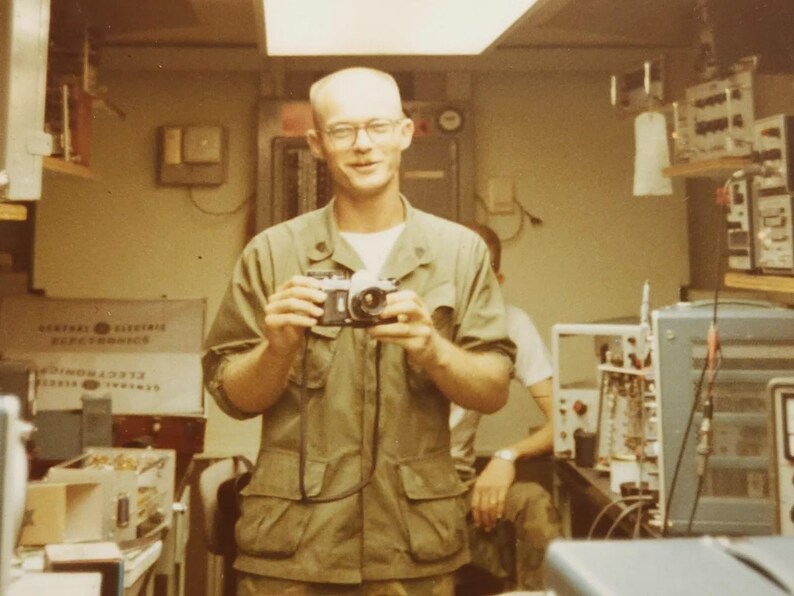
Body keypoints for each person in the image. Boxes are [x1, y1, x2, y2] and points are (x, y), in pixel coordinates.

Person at [202, 67, 515, 595]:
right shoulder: (273, 253)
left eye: (377, 126)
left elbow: (494, 388)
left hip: (412, 550)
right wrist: (276, 350)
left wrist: (432, 348)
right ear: (317, 143)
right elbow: (233, 398)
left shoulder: (459, 253)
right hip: (293, 551)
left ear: (405, 132)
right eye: (343, 131)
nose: (363, 145)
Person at [451, 222, 561, 592]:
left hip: (459, 483)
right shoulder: (403, 319)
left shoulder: (511, 324)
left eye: (476, 275)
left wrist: (506, 457)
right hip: (394, 491)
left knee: (532, 501)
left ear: (497, 280)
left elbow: (563, 423)